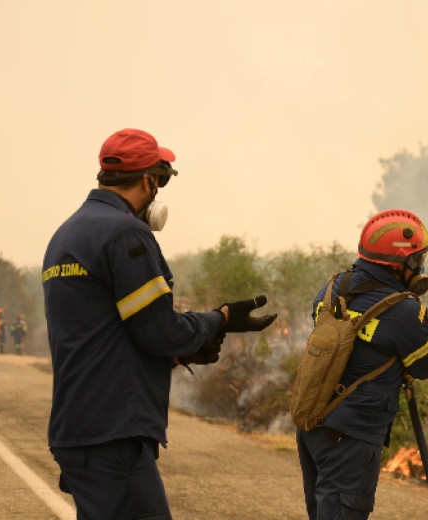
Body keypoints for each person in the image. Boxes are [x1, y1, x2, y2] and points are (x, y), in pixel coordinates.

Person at [42, 128, 277, 519]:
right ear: (150, 180)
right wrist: (219, 319)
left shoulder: (66, 234)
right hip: (113, 431)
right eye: (160, 181)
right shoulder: (125, 233)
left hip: (78, 426)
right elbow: (159, 331)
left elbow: (102, 333)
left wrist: (176, 355)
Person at [296, 208, 428, 519]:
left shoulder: (330, 290)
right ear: (400, 263)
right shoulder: (404, 312)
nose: (420, 265)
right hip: (351, 438)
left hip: (313, 426)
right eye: (417, 258)